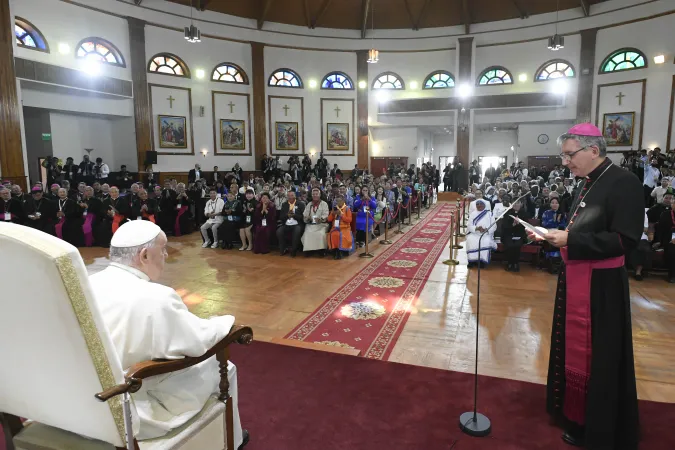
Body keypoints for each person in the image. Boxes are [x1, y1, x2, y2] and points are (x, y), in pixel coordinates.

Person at [527, 123, 642, 449]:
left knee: (600, 356)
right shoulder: (585, 184)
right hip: (576, 276)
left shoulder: (625, 183)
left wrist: (570, 239)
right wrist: (551, 237)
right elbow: (578, 228)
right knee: (571, 349)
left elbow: (625, 240)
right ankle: (573, 412)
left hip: (602, 286)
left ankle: (600, 422)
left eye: (569, 155)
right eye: (564, 156)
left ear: (593, 150)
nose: (565, 163)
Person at [88, 220, 248, 446]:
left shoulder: (88, 283)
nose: (165, 256)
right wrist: (222, 323)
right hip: (137, 408)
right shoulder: (155, 297)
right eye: (162, 250)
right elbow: (197, 341)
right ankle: (233, 439)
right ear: (144, 255)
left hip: (92, 402)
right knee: (225, 367)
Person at [653, 188, 675, 283]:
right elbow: (660, 229)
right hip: (669, 239)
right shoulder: (665, 214)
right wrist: (659, 241)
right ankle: (672, 275)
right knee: (671, 251)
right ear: (672, 204)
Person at [466, 200, 496, 268]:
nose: (479, 205)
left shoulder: (490, 214)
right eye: (477, 204)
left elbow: (494, 226)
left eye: (481, 204)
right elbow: (469, 225)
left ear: (485, 205)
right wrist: (476, 228)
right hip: (474, 233)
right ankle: (472, 261)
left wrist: (487, 230)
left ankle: (481, 261)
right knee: (470, 240)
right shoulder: (473, 214)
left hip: (486, 234)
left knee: (486, 241)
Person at [500, 200, 527, 272]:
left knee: (517, 245)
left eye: (518, 203)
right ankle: (509, 263)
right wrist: (513, 224)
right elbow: (504, 226)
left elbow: (526, 226)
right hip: (508, 235)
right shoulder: (507, 213)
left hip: (520, 235)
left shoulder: (524, 213)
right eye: (514, 203)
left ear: (521, 204)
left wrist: (519, 224)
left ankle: (515, 263)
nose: (516, 204)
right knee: (510, 245)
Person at [301, 187, 329, 256]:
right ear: (312, 195)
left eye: (317, 194)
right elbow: (305, 214)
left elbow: (326, 214)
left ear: (319, 195)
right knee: (307, 233)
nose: (315, 195)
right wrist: (308, 218)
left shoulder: (324, 204)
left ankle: (321, 250)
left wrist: (320, 219)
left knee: (321, 233)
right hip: (311, 224)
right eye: (313, 194)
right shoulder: (309, 204)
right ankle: (309, 250)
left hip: (321, 224)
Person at [277, 190, 305, 257]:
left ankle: (294, 250)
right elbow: (281, 217)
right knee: (279, 231)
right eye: (289, 196)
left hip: (297, 224)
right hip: (286, 224)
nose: (290, 197)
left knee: (297, 231)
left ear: (295, 196)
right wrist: (287, 215)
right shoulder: (284, 204)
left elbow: (303, 217)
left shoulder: (300, 204)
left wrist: (294, 215)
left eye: (292, 195)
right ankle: (283, 248)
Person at [327, 195, 354, 259]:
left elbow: (349, 220)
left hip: (345, 228)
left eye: (339, 201)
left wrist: (341, 215)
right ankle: (335, 250)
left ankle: (341, 251)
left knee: (341, 235)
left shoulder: (347, 208)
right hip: (335, 228)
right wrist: (333, 214)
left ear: (343, 201)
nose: (338, 202)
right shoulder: (335, 208)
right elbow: (329, 219)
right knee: (332, 234)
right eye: (337, 201)